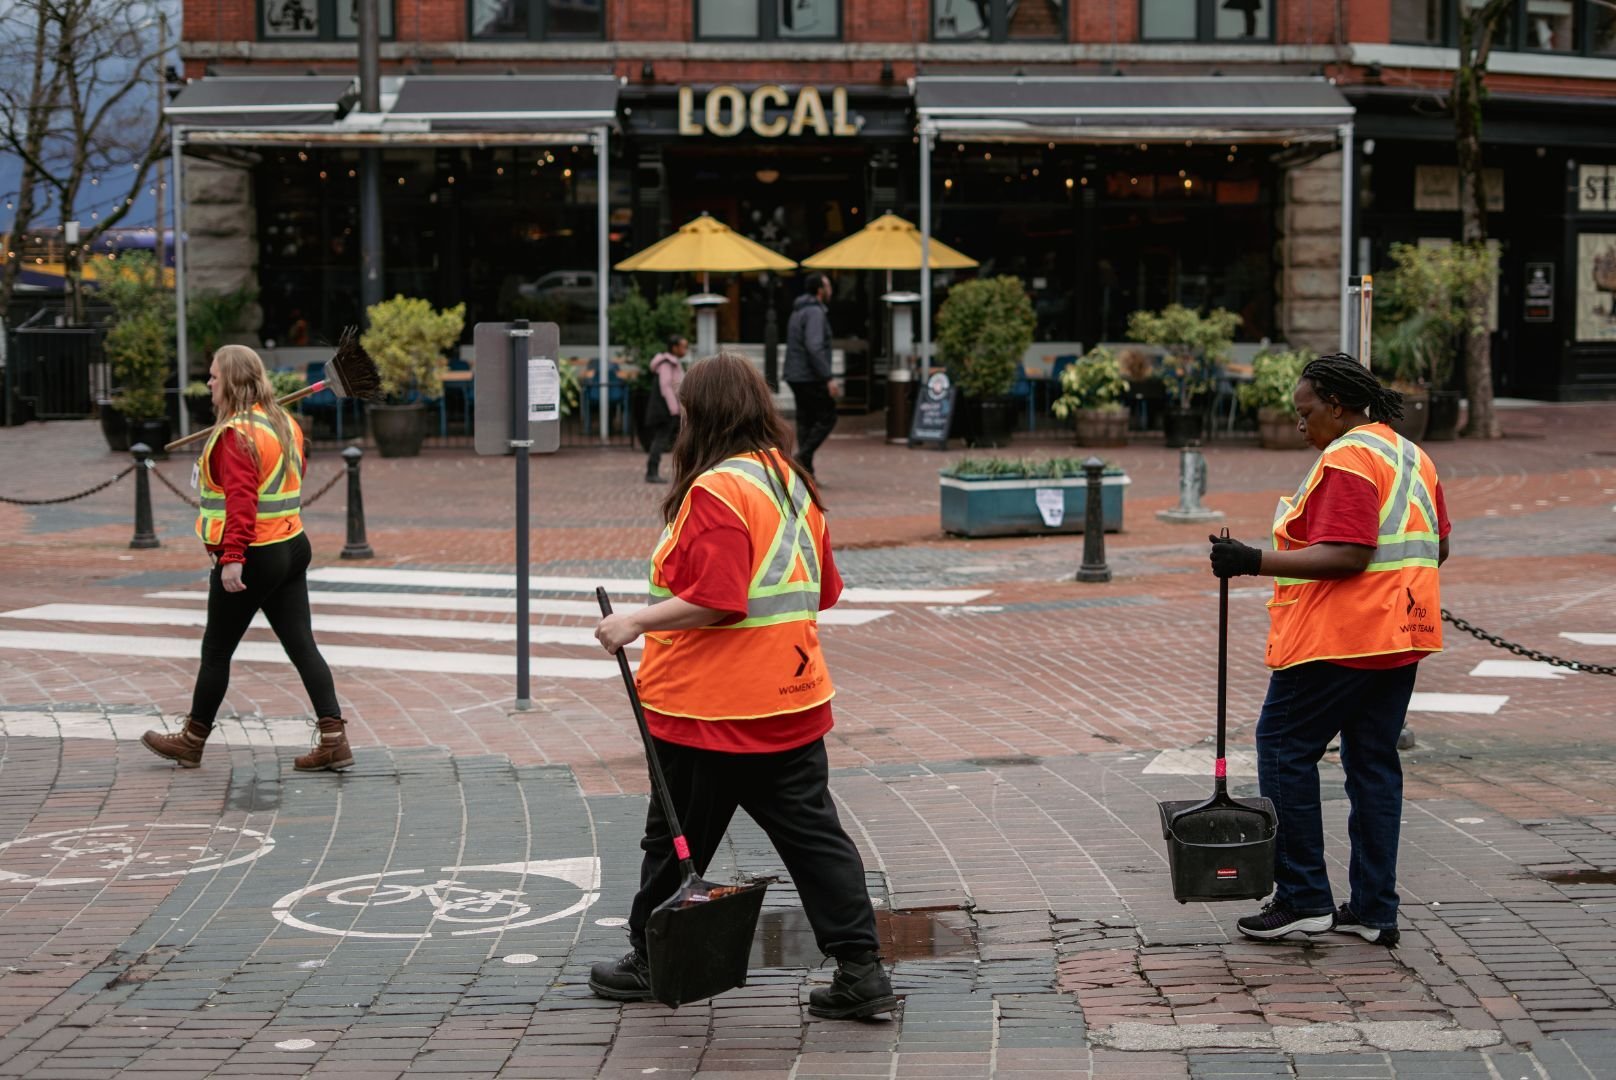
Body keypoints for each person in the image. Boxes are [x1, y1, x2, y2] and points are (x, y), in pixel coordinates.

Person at [590, 351, 895, 1020]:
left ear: (704, 415)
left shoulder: (716, 491)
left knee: (673, 841)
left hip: (709, 709)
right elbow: (826, 590)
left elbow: (720, 598)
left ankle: (651, 957)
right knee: (817, 845)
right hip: (791, 700)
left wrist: (634, 620)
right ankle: (861, 970)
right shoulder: (789, 482)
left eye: (686, 411)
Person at [1208, 353, 1450, 948]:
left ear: (1337, 406)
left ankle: (1302, 898)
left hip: (1340, 638)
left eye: (1306, 410)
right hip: (1402, 636)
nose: (1300, 424)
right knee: (1372, 763)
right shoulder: (1411, 454)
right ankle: (1372, 908)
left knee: (1285, 747)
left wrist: (1252, 561)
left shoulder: (1347, 456)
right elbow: (1438, 546)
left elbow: (1349, 552)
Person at [141, 345, 353, 773]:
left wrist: (233, 556)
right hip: (292, 545)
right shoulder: (283, 424)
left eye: (215, 376)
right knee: (302, 644)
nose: (209, 383)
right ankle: (334, 739)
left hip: (255, 552)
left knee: (216, 650)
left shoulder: (237, 434)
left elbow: (242, 501)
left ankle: (192, 739)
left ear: (233, 382)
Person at [784, 272, 840, 478]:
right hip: (809, 375)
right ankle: (801, 458)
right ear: (820, 291)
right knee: (828, 416)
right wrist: (828, 377)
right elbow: (814, 346)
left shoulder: (798, 311)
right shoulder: (815, 312)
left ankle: (805, 471)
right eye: (828, 286)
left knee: (806, 419)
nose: (831, 290)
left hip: (795, 374)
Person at [642, 334, 688, 484]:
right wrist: (675, 409)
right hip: (665, 409)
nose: (685, 350)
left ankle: (655, 470)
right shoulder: (667, 364)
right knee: (661, 439)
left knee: (668, 439)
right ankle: (652, 471)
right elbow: (666, 386)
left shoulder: (672, 363)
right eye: (683, 346)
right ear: (674, 347)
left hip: (668, 408)